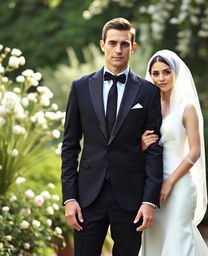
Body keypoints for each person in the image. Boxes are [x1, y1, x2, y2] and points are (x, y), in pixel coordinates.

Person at [61, 18, 163, 256]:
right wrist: (69, 198)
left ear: (133, 47)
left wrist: (149, 201)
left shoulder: (148, 92)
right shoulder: (80, 87)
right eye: (113, 43)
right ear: (102, 45)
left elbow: (156, 150)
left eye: (125, 44)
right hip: (87, 197)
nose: (118, 49)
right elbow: (69, 146)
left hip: (131, 197)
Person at [141, 50, 208, 255]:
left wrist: (170, 181)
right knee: (156, 240)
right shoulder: (147, 107)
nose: (161, 78)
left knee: (179, 240)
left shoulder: (187, 108)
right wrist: (141, 146)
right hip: (151, 184)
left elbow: (195, 151)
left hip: (179, 185)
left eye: (166, 72)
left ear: (175, 73)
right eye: (155, 73)